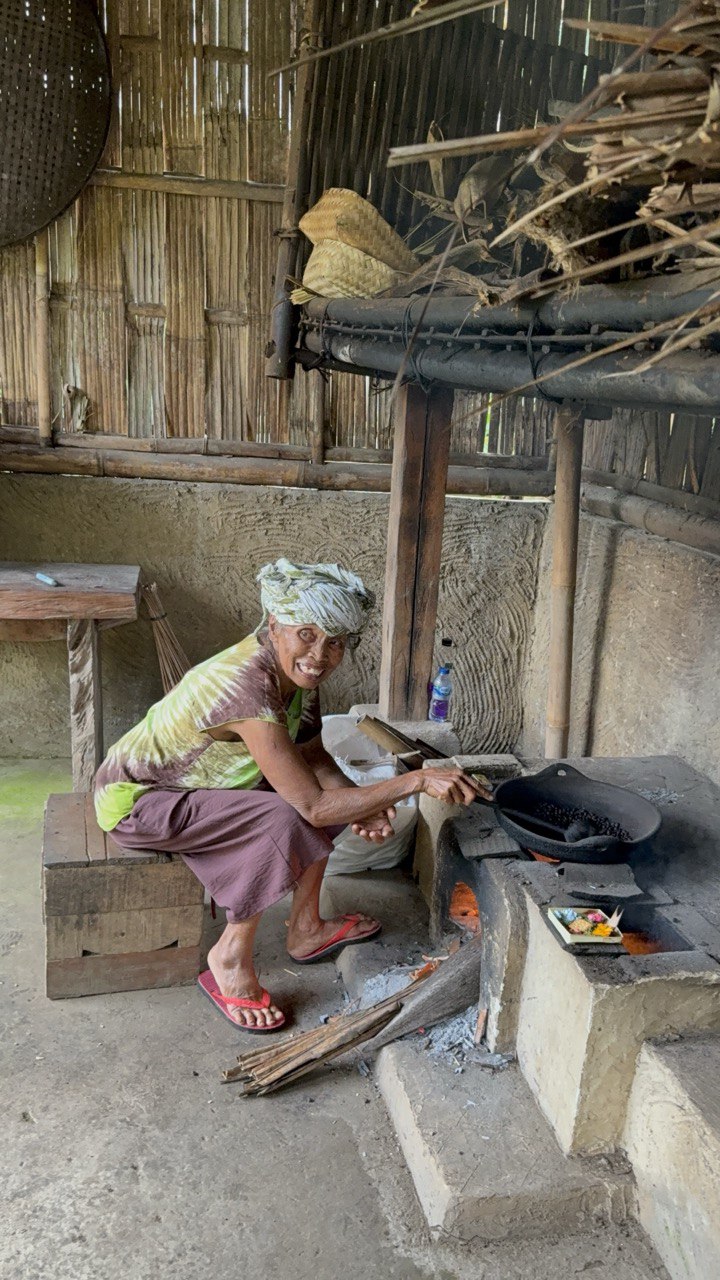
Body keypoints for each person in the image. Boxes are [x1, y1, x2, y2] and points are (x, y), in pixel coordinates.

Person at [94, 558, 483, 1033]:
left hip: (205, 788)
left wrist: (367, 802)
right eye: (307, 634)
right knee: (289, 817)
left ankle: (306, 929)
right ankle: (230, 957)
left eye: (335, 643)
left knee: (314, 804)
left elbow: (314, 757)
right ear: (275, 625)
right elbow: (312, 806)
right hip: (140, 801)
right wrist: (415, 781)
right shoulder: (247, 685)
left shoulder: (296, 676)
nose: (319, 655)